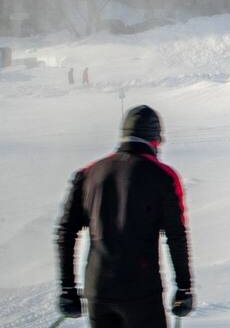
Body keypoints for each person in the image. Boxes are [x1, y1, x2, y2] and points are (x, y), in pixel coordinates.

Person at [55, 106, 195, 327]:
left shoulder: (88, 173)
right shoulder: (164, 177)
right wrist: (184, 288)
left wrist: (67, 289)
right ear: (154, 139)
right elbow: (176, 236)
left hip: (98, 291)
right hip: (142, 293)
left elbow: (66, 232)